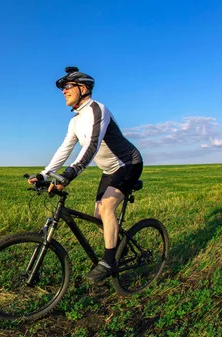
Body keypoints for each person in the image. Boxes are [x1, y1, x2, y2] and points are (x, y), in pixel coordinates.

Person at [28, 66, 143, 282]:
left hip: (128, 164)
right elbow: (65, 149)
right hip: (110, 170)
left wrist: (70, 174)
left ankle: (109, 262)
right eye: (63, 88)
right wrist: (45, 174)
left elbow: (91, 146)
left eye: (68, 86)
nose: (64, 91)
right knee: (99, 216)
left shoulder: (97, 110)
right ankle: (118, 248)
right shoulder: (75, 121)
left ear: (83, 88)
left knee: (107, 207)